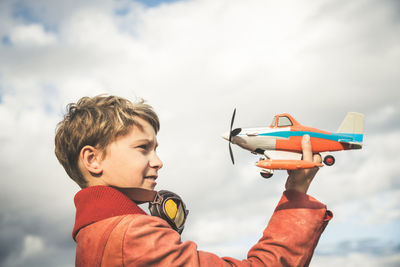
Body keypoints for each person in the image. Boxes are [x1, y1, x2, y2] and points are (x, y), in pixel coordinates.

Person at [54, 95, 332, 267]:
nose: (158, 162)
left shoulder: (92, 235)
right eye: (143, 148)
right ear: (92, 160)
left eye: (156, 149)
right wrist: (296, 193)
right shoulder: (133, 237)